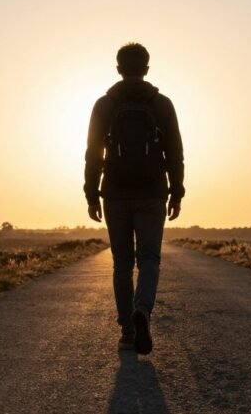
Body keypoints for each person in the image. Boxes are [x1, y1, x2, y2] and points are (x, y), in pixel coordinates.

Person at [84, 42, 185, 355]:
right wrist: (176, 191)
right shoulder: (162, 104)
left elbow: (93, 155)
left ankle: (128, 330)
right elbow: (175, 153)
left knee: (122, 264)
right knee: (150, 259)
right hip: (153, 192)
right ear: (147, 68)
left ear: (118, 68)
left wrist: (91, 193)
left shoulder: (103, 105)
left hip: (114, 194)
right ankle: (143, 310)